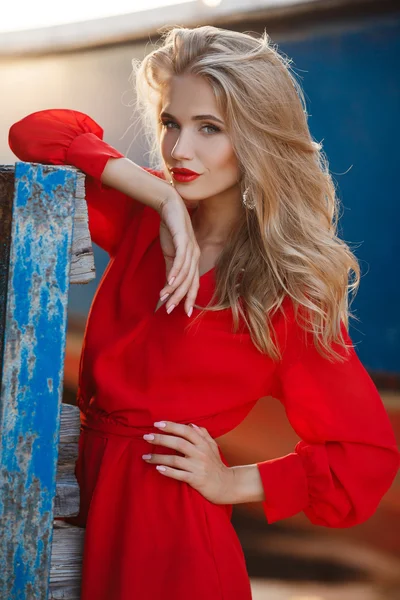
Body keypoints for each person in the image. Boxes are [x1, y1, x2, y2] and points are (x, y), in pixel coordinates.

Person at [8, 24, 399, 600]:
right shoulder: (144, 218)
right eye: (171, 123)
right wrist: (161, 196)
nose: (178, 151)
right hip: (82, 514)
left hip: (175, 549)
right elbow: (34, 133)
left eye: (209, 128)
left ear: (258, 140)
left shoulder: (283, 294)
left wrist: (233, 480)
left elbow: (363, 456)